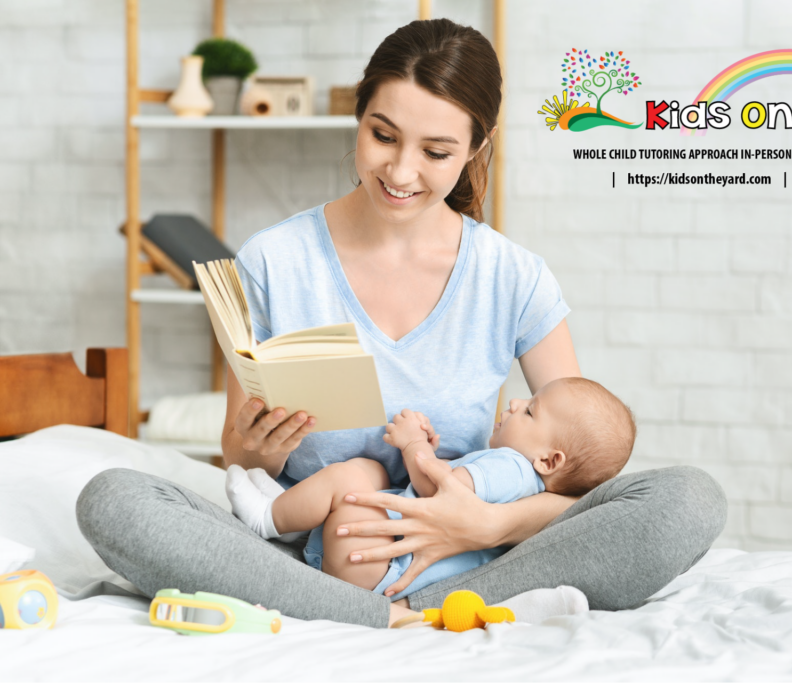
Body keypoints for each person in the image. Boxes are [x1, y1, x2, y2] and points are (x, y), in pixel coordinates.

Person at [76, 18, 727, 629]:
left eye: (437, 151)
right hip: (312, 555)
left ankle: (427, 602)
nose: (400, 171)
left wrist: (482, 526)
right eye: (383, 135)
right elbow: (238, 455)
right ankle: (372, 613)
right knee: (113, 500)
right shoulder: (274, 261)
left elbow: (575, 485)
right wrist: (258, 448)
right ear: (358, 118)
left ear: (476, 146)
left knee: (688, 500)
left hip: (472, 557)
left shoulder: (512, 276)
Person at [225, 377, 636, 602]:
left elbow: (437, 490)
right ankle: (293, 516)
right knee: (369, 473)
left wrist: (413, 444)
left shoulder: (510, 467)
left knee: (353, 479)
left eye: (529, 411)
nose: (513, 404)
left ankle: (268, 520)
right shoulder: (520, 481)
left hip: (378, 562)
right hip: (375, 565)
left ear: (548, 461)